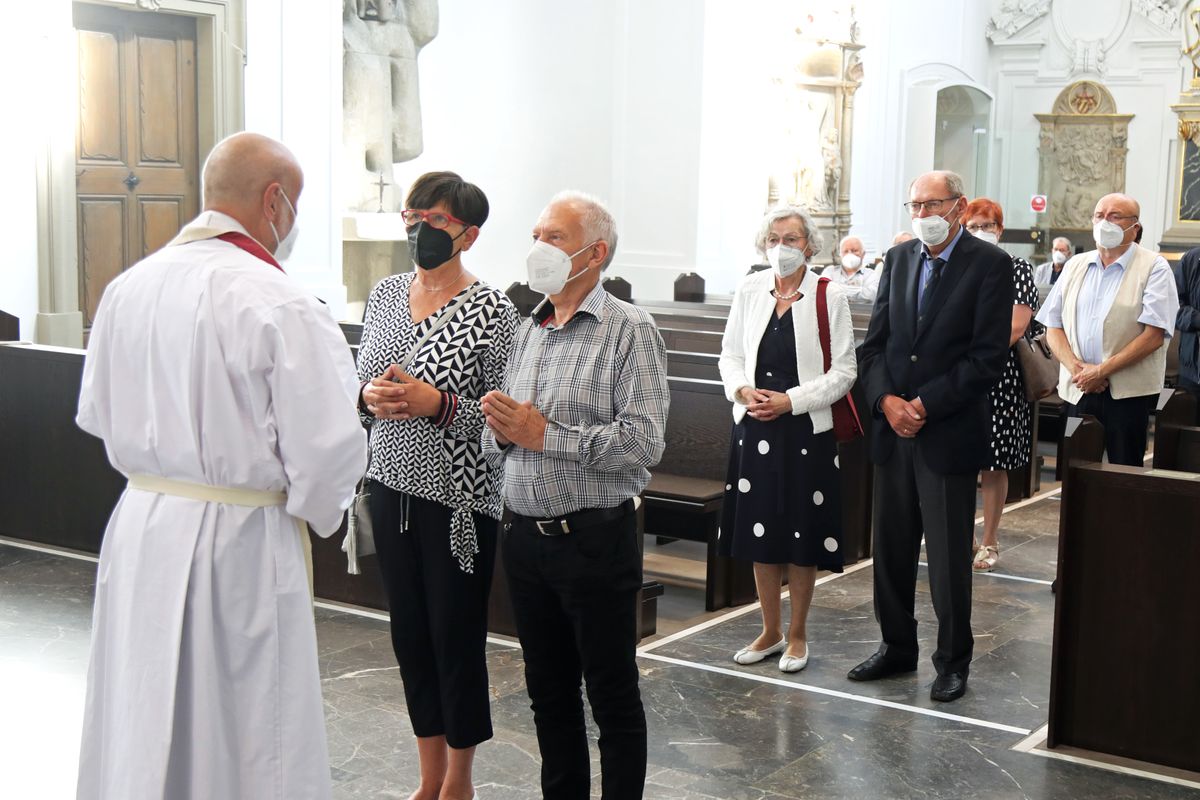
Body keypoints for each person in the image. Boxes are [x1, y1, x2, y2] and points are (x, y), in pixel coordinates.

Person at [75, 132, 368, 800]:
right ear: (273, 202)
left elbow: (97, 413)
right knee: (244, 726)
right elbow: (328, 452)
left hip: (144, 523)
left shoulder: (128, 288)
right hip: (237, 541)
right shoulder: (281, 302)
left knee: (140, 705)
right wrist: (319, 513)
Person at [481, 190, 669, 799]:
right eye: (537, 233)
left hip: (592, 538)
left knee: (611, 693)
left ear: (596, 252)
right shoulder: (527, 327)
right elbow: (509, 437)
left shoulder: (628, 330)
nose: (540, 247)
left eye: (554, 236)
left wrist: (544, 435)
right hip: (525, 536)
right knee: (548, 693)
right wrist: (501, 432)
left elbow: (643, 442)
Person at [356, 171, 518, 800]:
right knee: (410, 633)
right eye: (413, 215)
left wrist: (439, 403)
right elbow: (363, 383)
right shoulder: (387, 294)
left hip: (457, 498)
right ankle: (427, 775)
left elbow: (504, 415)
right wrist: (370, 396)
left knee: (455, 634)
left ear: (468, 235)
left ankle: (460, 778)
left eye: (437, 221)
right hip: (390, 482)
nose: (420, 228)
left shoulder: (491, 309)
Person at [850, 170, 1013, 703]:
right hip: (894, 432)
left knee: (946, 558)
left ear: (959, 207)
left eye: (930, 205)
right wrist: (885, 401)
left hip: (948, 429)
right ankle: (897, 647)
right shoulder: (898, 260)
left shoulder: (989, 265)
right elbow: (874, 347)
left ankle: (952, 660)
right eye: (913, 205)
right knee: (892, 550)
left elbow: (986, 358)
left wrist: (925, 403)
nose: (920, 215)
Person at [718, 206, 856, 673]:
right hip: (755, 426)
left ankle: (797, 634)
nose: (783, 247)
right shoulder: (750, 288)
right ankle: (769, 628)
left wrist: (790, 401)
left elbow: (845, 371)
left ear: (810, 246)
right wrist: (742, 390)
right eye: (775, 238)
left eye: (792, 238)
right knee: (761, 533)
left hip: (803, 430)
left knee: (800, 534)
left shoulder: (827, 294)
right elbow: (731, 354)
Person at [1035, 193, 1179, 466]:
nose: (1105, 223)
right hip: (1079, 389)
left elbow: (1153, 336)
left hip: (1126, 394)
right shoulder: (1076, 264)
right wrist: (1079, 370)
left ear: (1134, 227)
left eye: (1115, 216)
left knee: (1123, 473)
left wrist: (1101, 371)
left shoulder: (1153, 266)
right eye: (1100, 216)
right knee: (1075, 472)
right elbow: (1052, 325)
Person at [960, 198, 1037, 573]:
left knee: (994, 461)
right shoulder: (957, 267)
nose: (980, 232)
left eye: (987, 226)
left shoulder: (1016, 268)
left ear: (999, 230)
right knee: (959, 459)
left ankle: (989, 540)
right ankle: (963, 536)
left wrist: (972, 358)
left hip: (998, 375)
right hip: (958, 375)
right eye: (973, 225)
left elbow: (1015, 327)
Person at [1177, 246, 1200, 415]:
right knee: (1189, 436)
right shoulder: (1191, 260)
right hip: (1193, 371)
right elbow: (1171, 308)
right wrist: (1196, 319)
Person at [825, 234, 880, 304]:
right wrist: (859, 291)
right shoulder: (830, 272)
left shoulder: (871, 275)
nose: (850, 254)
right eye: (846, 251)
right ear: (840, 254)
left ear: (863, 254)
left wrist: (837, 289)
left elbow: (871, 296)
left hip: (862, 314)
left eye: (854, 250)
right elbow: (824, 292)